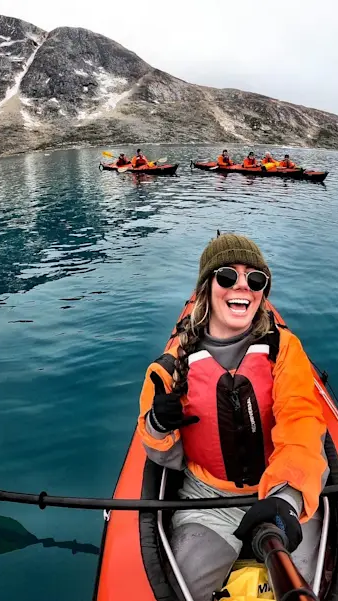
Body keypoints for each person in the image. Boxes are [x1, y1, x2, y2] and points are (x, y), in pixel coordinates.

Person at [137, 233, 328, 601]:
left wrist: (286, 499)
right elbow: (162, 456)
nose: (243, 286)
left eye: (255, 279)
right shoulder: (170, 367)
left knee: (309, 586)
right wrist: (158, 425)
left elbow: (303, 422)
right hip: (207, 503)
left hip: (282, 495)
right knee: (184, 592)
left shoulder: (284, 350)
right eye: (227, 276)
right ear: (207, 287)